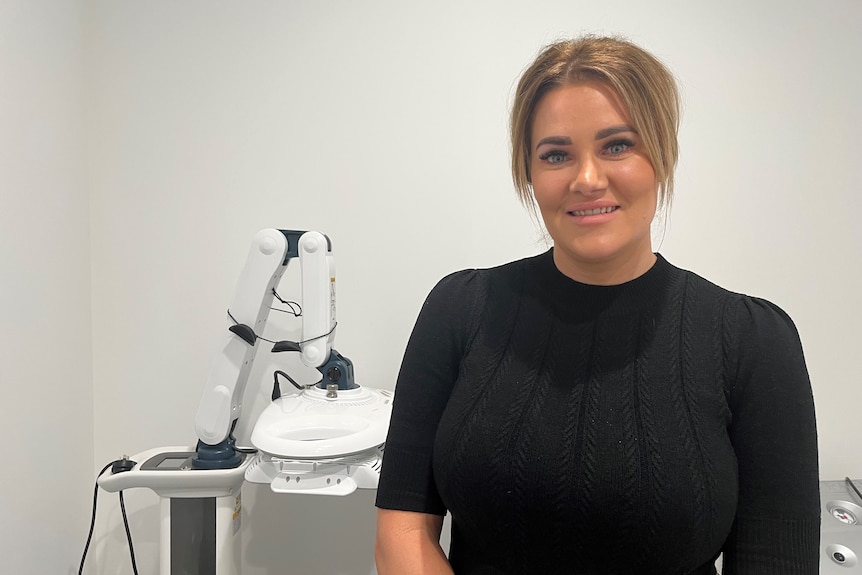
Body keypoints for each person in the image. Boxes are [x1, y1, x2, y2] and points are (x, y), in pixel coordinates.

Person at [374, 36, 820, 574]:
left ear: (662, 155)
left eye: (617, 146)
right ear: (530, 173)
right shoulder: (460, 310)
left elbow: (776, 560)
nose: (586, 179)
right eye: (556, 154)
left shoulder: (752, 341)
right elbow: (402, 529)